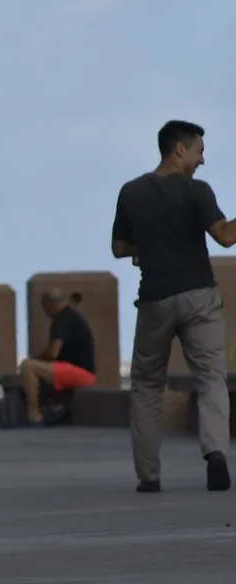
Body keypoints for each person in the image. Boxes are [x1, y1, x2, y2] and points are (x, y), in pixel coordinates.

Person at [112, 119, 234, 494]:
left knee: (147, 385)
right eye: (198, 151)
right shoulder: (196, 191)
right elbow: (226, 237)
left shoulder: (131, 192)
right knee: (211, 377)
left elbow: (119, 248)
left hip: (155, 300)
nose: (202, 160)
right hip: (198, 295)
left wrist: (147, 246)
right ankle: (215, 455)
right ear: (179, 149)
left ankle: (149, 475)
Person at [19, 288, 96, 426]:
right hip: (80, 371)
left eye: (44, 306)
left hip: (81, 374)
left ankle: (34, 415)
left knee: (28, 367)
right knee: (35, 367)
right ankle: (55, 406)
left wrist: (37, 360)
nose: (44, 311)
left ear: (49, 304)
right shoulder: (71, 316)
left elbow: (53, 353)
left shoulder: (62, 320)